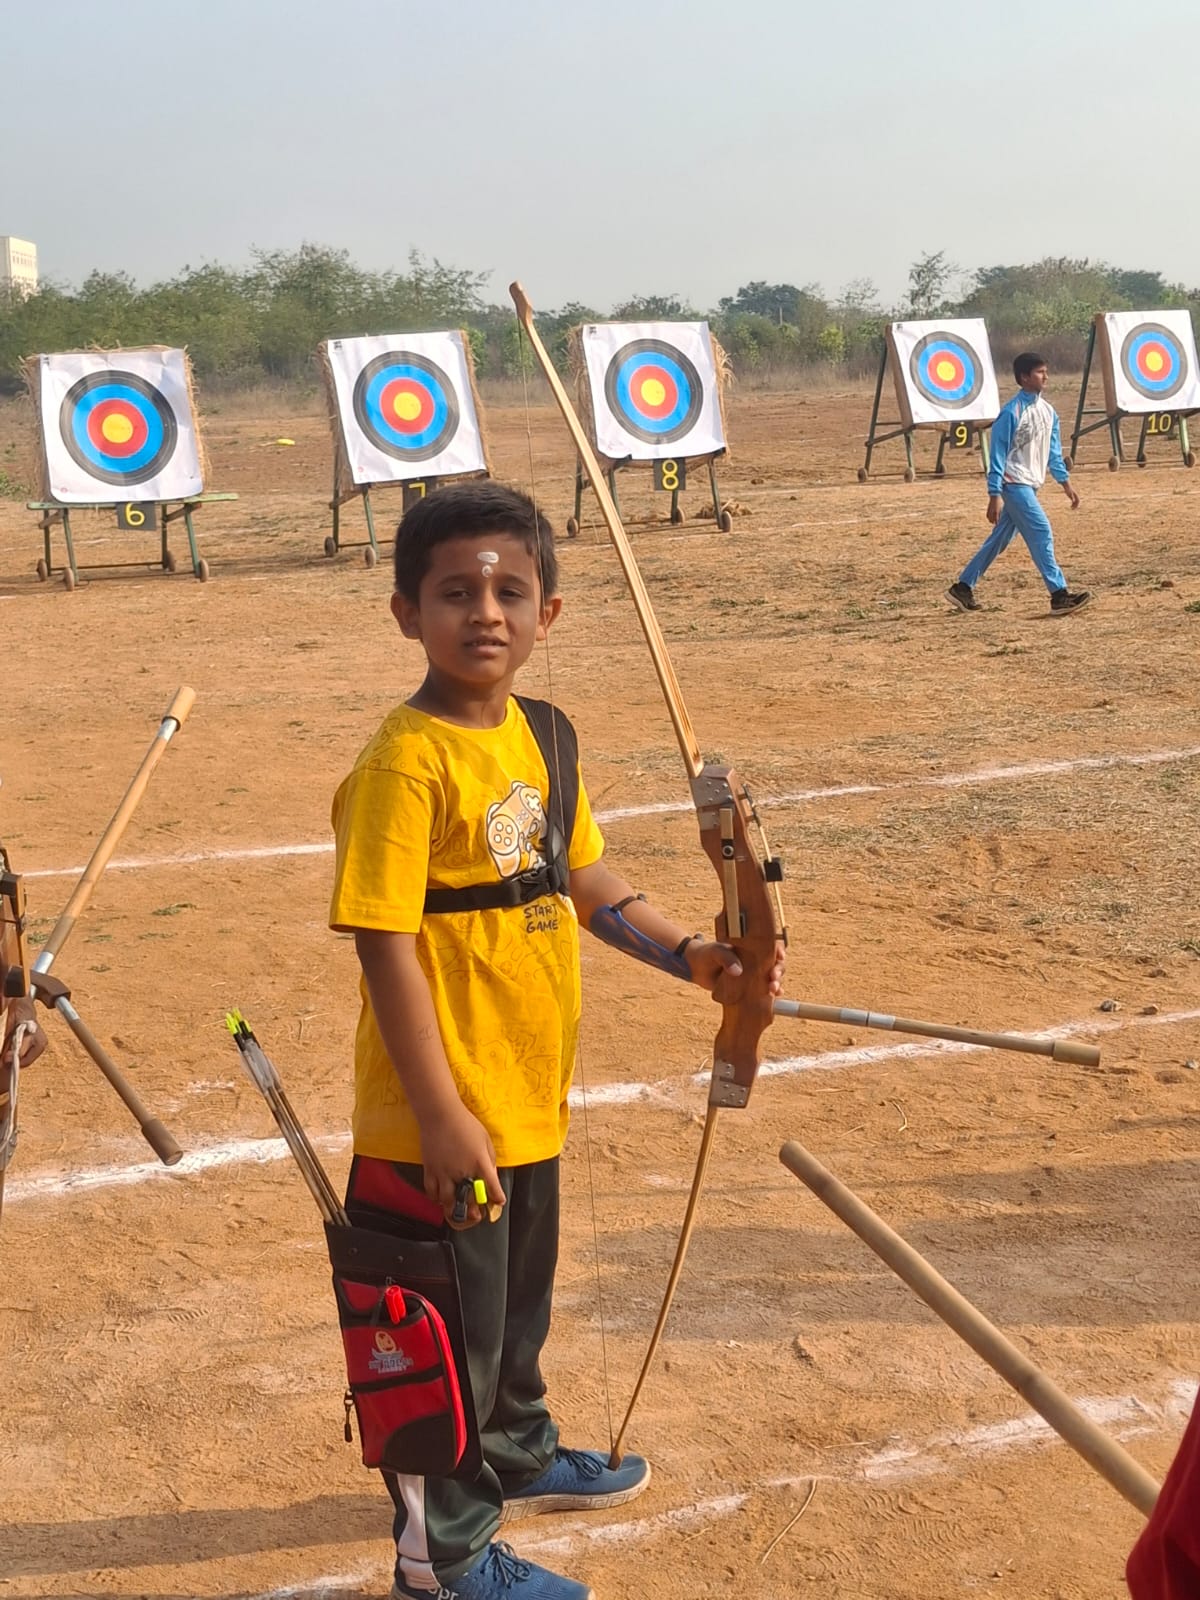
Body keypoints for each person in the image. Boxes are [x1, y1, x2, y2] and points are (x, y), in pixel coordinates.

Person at [329, 482, 784, 1600]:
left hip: (527, 1095)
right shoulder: (403, 762)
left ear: (549, 613)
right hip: (439, 1114)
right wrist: (441, 1114)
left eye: (510, 592)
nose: (485, 613)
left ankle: (518, 1453)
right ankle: (440, 1556)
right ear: (406, 613)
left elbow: (581, 877)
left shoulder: (544, 736)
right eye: (454, 592)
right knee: (441, 1334)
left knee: (511, 1312)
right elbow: (384, 944)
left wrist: (691, 954)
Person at [947, 351, 1091, 616]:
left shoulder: (1049, 412)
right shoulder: (1010, 413)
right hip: (1013, 484)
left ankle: (962, 587)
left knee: (998, 540)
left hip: (1030, 485)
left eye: (1045, 371)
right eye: (1039, 372)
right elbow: (997, 456)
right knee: (1041, 531)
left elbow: (1054, 453)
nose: (1046, 376)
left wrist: (1065, 484)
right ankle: (1059, 594)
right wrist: (994, 494)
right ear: (1024, 377)